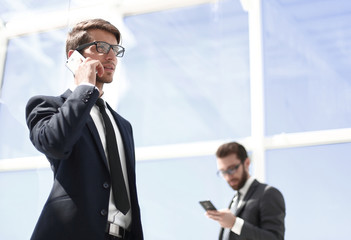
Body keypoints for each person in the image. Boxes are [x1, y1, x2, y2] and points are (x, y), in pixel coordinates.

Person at [25, 18, 143, 240]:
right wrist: (85, 88)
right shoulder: (47, 105)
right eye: (101, 47)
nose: (111, 56)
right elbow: (55, 144)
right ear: (74, 57)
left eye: (115, 49)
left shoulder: (123, 126)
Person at [206, 142, 285, 240]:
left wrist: (235, 224)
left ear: (247, 163)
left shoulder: (268, 194)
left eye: (232, 169)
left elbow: (275, 238)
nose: (228, 176)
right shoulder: (235, 200)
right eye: (223, 172)